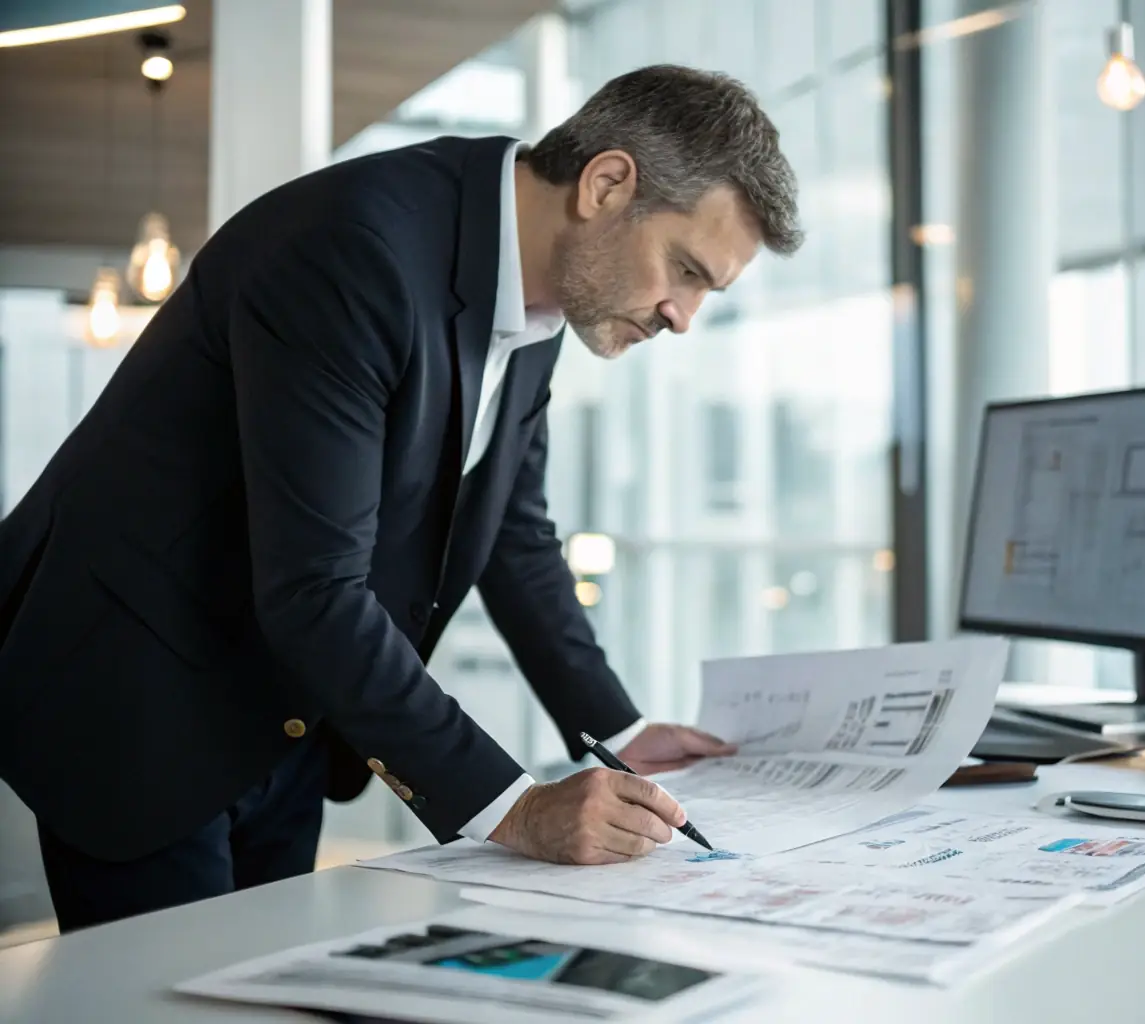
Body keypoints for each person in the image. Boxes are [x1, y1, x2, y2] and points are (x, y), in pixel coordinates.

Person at [0, 64, 802, 932]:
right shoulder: (353, 250)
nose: (682, 315)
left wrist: (617, 728)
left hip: (284, 703)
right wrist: (514, 809)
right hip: (138, 692)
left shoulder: (542, 296)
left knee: (257, 986)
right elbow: (315, 588)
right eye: (684, 270)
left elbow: (513, 537)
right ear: (606, 185)